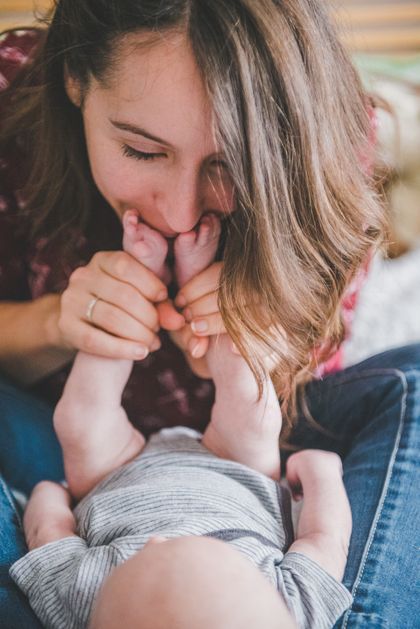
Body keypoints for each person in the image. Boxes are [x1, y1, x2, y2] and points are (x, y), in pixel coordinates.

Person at [0, 1, 418, 627]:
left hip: (253, 452)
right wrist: (56, 324)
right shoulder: (13, 96)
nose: (177, 211)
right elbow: (323, 521)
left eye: (227, 166)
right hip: (74, 444)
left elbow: (50, 525)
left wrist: (267, 344)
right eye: (142, 150)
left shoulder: (327, 131)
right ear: (75, 79)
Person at [9, 215, 352, 629]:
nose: (160, 545)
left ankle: (136, 286)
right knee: (251, 405)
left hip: (113, 474)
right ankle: (202, 286)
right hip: (235, 468)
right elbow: (324, 539)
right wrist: (323, 476)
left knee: (81, 420)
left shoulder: (76, 606)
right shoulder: (296, 611)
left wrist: (49, 495)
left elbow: (49, 533)